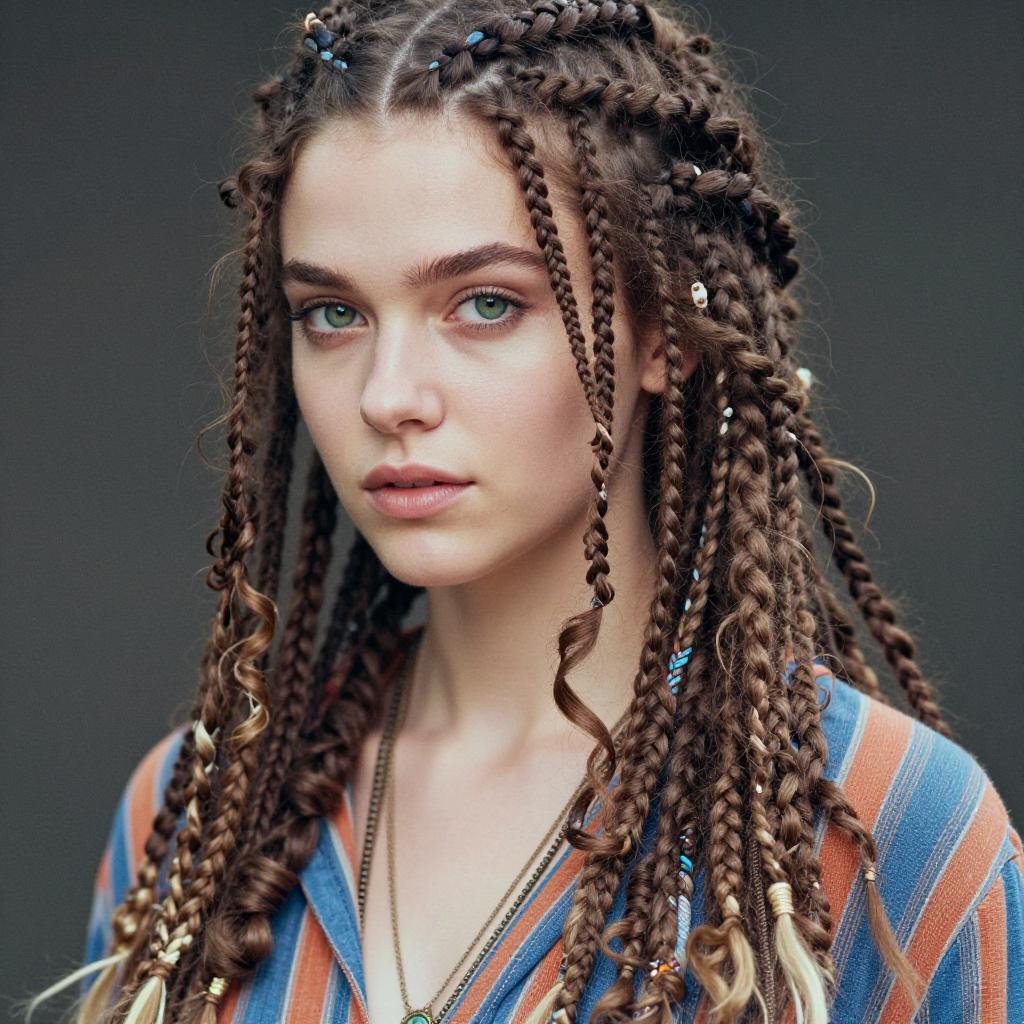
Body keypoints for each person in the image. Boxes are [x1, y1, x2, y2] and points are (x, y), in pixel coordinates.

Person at [22, 2, 1022, 1023]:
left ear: (662, 331)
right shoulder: (198, 813)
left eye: (485, 303)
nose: (387, 394)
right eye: (333, 313)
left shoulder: (891, 834)